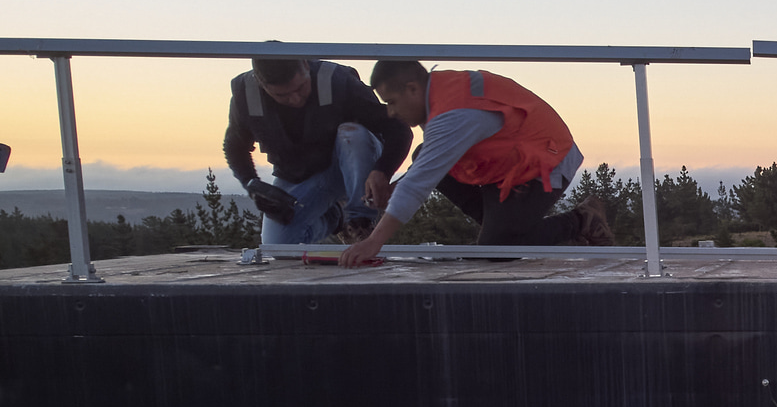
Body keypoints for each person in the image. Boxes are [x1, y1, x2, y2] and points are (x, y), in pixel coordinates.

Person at [338, 60, 612, 266]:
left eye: (392, 102)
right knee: (425, 155)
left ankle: (581, 220)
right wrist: (396, 189)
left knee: (496, 251)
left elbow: (418, 184)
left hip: (544, 160)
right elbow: (426, 168)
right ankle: (501, 229)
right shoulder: (438, 93)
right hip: (505, 164)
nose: (391, 112)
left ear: (412, 89)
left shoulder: (454, 114)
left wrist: (374, 242)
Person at [223, 56, 411, 245]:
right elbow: (234, 145)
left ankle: (360, 223)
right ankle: (337, 219)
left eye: (300, 88)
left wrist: (382, 171)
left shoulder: (336, 80)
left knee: (352, 135)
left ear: (306, 65)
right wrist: (251, 183)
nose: (295, 99)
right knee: (278, 247)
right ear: (261, 84)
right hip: (300, 175)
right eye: (282, 96)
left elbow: (398, 128)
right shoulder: (246, 94)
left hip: (354, 165)